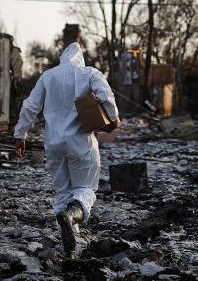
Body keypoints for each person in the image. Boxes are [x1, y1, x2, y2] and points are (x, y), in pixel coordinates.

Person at [14, 42, 119, 257]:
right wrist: (113, 119)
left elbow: (29, 106)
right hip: (81, 142)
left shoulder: (48, 76)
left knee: (63, 194)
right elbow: (107, 99)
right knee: (85, 189)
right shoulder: (90, 73)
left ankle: (72, 246)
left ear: (62, 58)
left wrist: (20, 135)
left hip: (53, 144)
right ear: (80, 59)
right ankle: (72, 215)